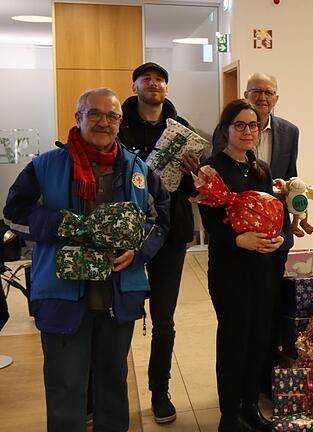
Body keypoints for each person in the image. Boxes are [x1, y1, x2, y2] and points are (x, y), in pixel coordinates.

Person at [3, 87, 170, 431]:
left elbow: (160, 218)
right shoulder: (45, 166)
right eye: (93, 114)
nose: (103, 122)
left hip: (118, 295)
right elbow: (12, 213)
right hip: (62, 296)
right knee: (65, 387)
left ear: (120, 121)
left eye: (110, 116)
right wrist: (58, 224)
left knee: (113, 385)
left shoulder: (137, 169)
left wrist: (140, 251)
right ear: (78, 118)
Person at [118, 62, 202, 423]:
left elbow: (198, 187)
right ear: (135, 85)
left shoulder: (182, 132)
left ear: (167, 88)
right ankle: (108, 392)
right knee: (117, 316)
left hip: (171, 232)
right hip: (126, 232)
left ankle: (160, 390)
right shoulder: (116, 127)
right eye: (147, 79)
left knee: (164, 318)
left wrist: (192, 171)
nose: (154, 84)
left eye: (160, 80)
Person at [199, 99, 284, 432]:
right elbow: (210, 219)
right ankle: (228, 414)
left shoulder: (259, 168)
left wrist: (279, 237)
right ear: (226, 130)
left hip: (263, 265)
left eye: (253, 125)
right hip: (230, 267)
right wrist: (237, 240)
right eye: (240, 125)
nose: (248, 131)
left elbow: (276, 212)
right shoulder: (212, 168)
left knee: (259, 336)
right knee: (234, 337)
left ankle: (250, 406)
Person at [242, 72, 299, 395]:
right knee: (244, 309)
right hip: (241, 235)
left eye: (269, 92)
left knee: (271, 306)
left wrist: (295, 213)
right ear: (246, 94)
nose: (263, 97)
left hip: (276, 234)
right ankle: (244, 378)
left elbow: (291, 177)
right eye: (257, 91)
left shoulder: (290, 132)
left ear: (276, 98)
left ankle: (266, 377)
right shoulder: (230, 129)